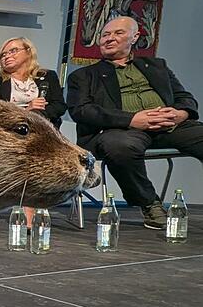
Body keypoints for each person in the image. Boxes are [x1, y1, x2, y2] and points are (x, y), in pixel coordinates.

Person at [68, 16, 202, 229]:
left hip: (169, 126)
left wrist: (181, 113)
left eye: (118, 33)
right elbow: (82, 111)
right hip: (119, 131)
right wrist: (132, 119)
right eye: (105, 35)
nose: (109, 39)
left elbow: (186, 98)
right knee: (120, 146)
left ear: (135, 37)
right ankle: (150, 204)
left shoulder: (157, 66)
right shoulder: (83, 75)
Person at [0, 36, 67, 226]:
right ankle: (26, 214)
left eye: (13, 51)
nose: (6, 56)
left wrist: (39, 113)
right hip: (7, 136)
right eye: (3, 54)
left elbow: (60, 107)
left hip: (43, 135)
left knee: (36, 130)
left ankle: (28, 211)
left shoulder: (47, 76)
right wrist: (25, 112)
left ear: (28, 51)